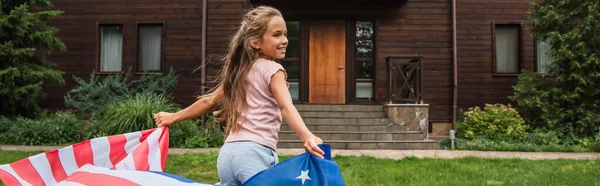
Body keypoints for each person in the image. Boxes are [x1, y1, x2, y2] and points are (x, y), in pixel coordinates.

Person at [153, 5, 324, 186]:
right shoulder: (274, 70)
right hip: (254, 152)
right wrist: (307, 136)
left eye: (285, 34)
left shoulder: (240, 73)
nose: (285, 40)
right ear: (255, 43)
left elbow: (209, 101)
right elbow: (285, 106)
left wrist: (174, 117)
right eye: (276, 35)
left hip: (228, 154)